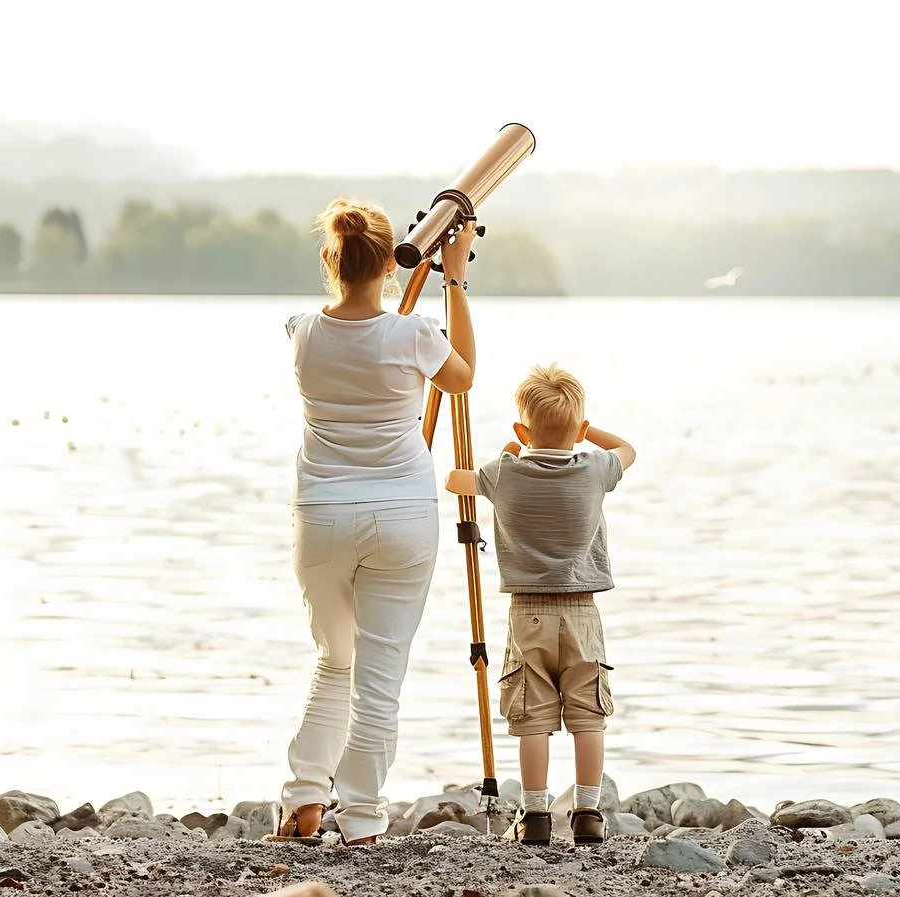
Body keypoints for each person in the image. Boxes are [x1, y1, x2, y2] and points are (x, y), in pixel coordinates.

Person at [271, 197, 477, 846]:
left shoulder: (300, 330)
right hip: (401, 518)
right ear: (392, 261)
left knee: (335, 659)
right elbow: (463, 379)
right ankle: (359, 820)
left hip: (322, 519)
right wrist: (455, 276)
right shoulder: (413, 335)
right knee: (379, 678)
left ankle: (304, 802)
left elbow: (342, 322)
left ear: (330, 259)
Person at [444, 364, 636, 846]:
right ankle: (589, 814)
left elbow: (454, 481)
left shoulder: (502, 474)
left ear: (521, 429)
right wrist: (586, 430)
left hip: (527, 615)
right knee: (588, 716)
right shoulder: (595, 468)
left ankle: (534, 818)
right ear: (579, 429)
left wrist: (510, 449)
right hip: (583, 613)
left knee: (533, 717)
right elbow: (627, 450)